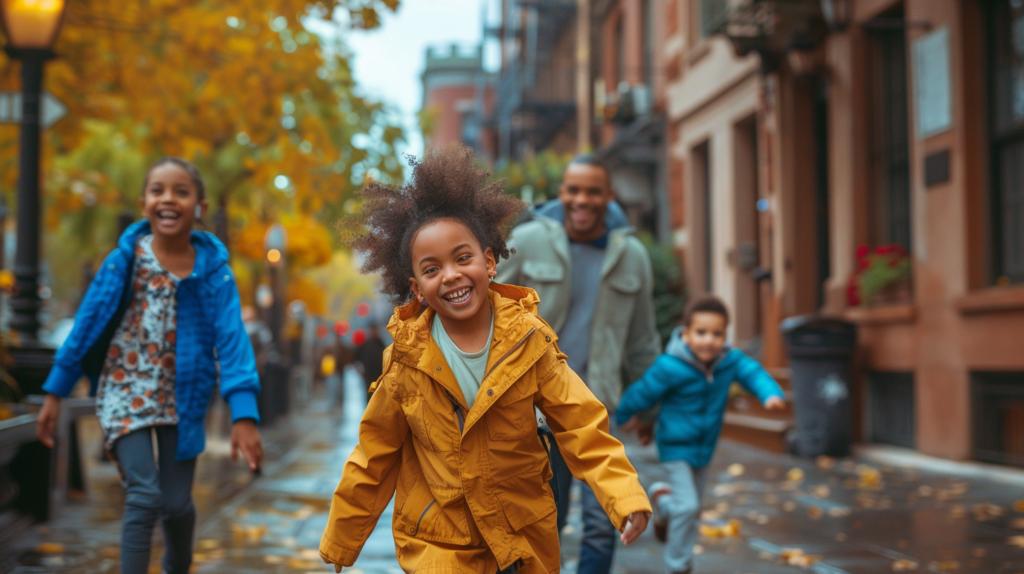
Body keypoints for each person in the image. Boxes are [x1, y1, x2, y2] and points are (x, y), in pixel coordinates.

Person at [319, 146, 651, 573]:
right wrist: (341, 539)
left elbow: (582, 422)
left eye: (463, 258)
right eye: (432, 269)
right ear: (417, 288)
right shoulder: (405, 359)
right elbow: (374, 454)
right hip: (441, 542)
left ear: (489, 261)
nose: (452, 275)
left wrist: (624, 496)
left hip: (521, 536)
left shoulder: (529, 341)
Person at [35, 157, 263, 574]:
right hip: (124, 389)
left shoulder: (214, 274)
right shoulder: (124, 261)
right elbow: (86, 325)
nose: (168, 199)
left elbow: (233, 342)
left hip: (184, 397)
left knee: (176, 506)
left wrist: (244, 414)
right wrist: (55, 391)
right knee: (144, 496)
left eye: (181, 191)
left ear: (200, 206)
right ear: (144, 203)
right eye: (158, 191)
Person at [495, 153, 661, 572]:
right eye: (574, 190)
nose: (582, 200)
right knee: (546, 521)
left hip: (597, 408)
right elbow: (488, 312)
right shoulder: (527, 241)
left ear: (609, 196)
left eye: (593, 191)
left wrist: (650, 407)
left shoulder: (632, 256)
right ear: (562, 192)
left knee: (604, 523)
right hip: (534, 409)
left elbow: (642, 339)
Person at [615, 295, 786, 574]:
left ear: (725, 336)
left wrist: (770, 394)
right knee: (689, 507)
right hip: (674, 447)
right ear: (686, 334)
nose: (709, 340)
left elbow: (752, 372)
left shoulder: (728, 362)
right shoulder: (670, 366)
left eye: (717, 334)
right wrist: (623, 415)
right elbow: (643, 391)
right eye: (701, 332)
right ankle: (678, 566)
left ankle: (663, 502)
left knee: (690, 507)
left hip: (704, 448)